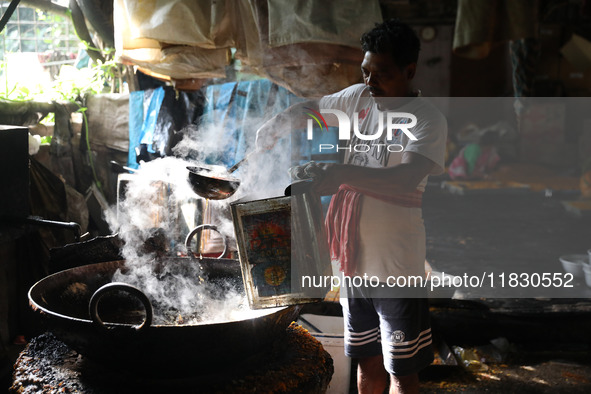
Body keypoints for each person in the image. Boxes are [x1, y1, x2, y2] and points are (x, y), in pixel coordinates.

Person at [257, 19, 447, 394]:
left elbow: (405, 179)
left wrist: (342, 173)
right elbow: (313, 108)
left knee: (402, 372)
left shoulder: (427, 119)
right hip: (353, 264)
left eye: (383, 73)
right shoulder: (358, 99)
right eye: (366, 71)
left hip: (396, 264)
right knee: (367, 362)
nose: (371, 81)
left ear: (409, 71)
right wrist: (279, 122)